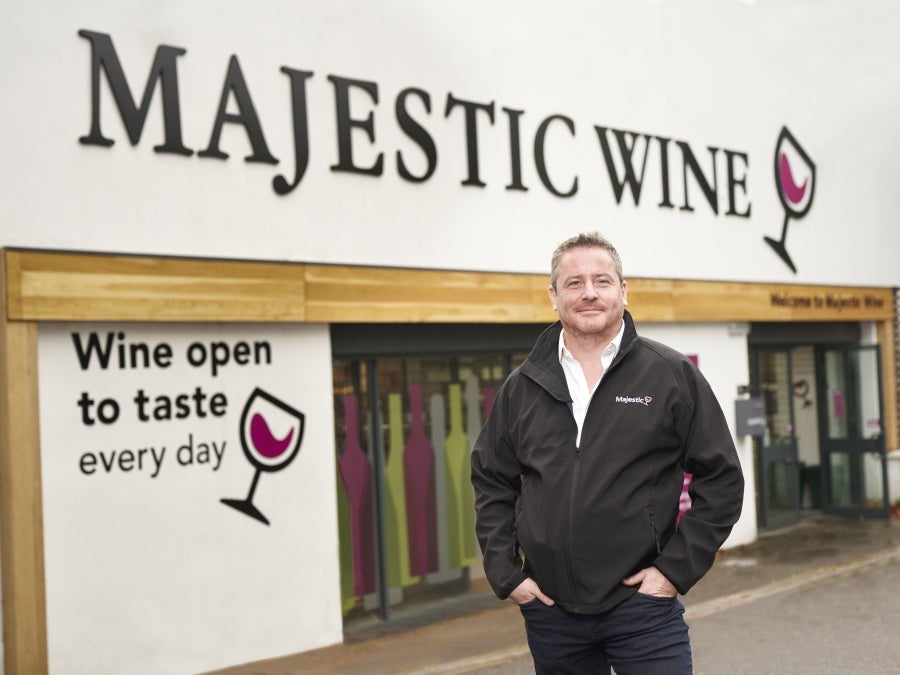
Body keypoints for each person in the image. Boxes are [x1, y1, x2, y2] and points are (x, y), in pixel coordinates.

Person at [471, 232, 744, 674]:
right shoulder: (521, 387)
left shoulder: (670, 375)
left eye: (602, 280)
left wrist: (673, 571)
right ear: (553, 295)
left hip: (643, 609)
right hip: (551, 613)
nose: (589, 293)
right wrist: (507, 574)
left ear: (623, 289)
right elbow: (491, 479)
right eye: (574, 283)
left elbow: (722, 478)